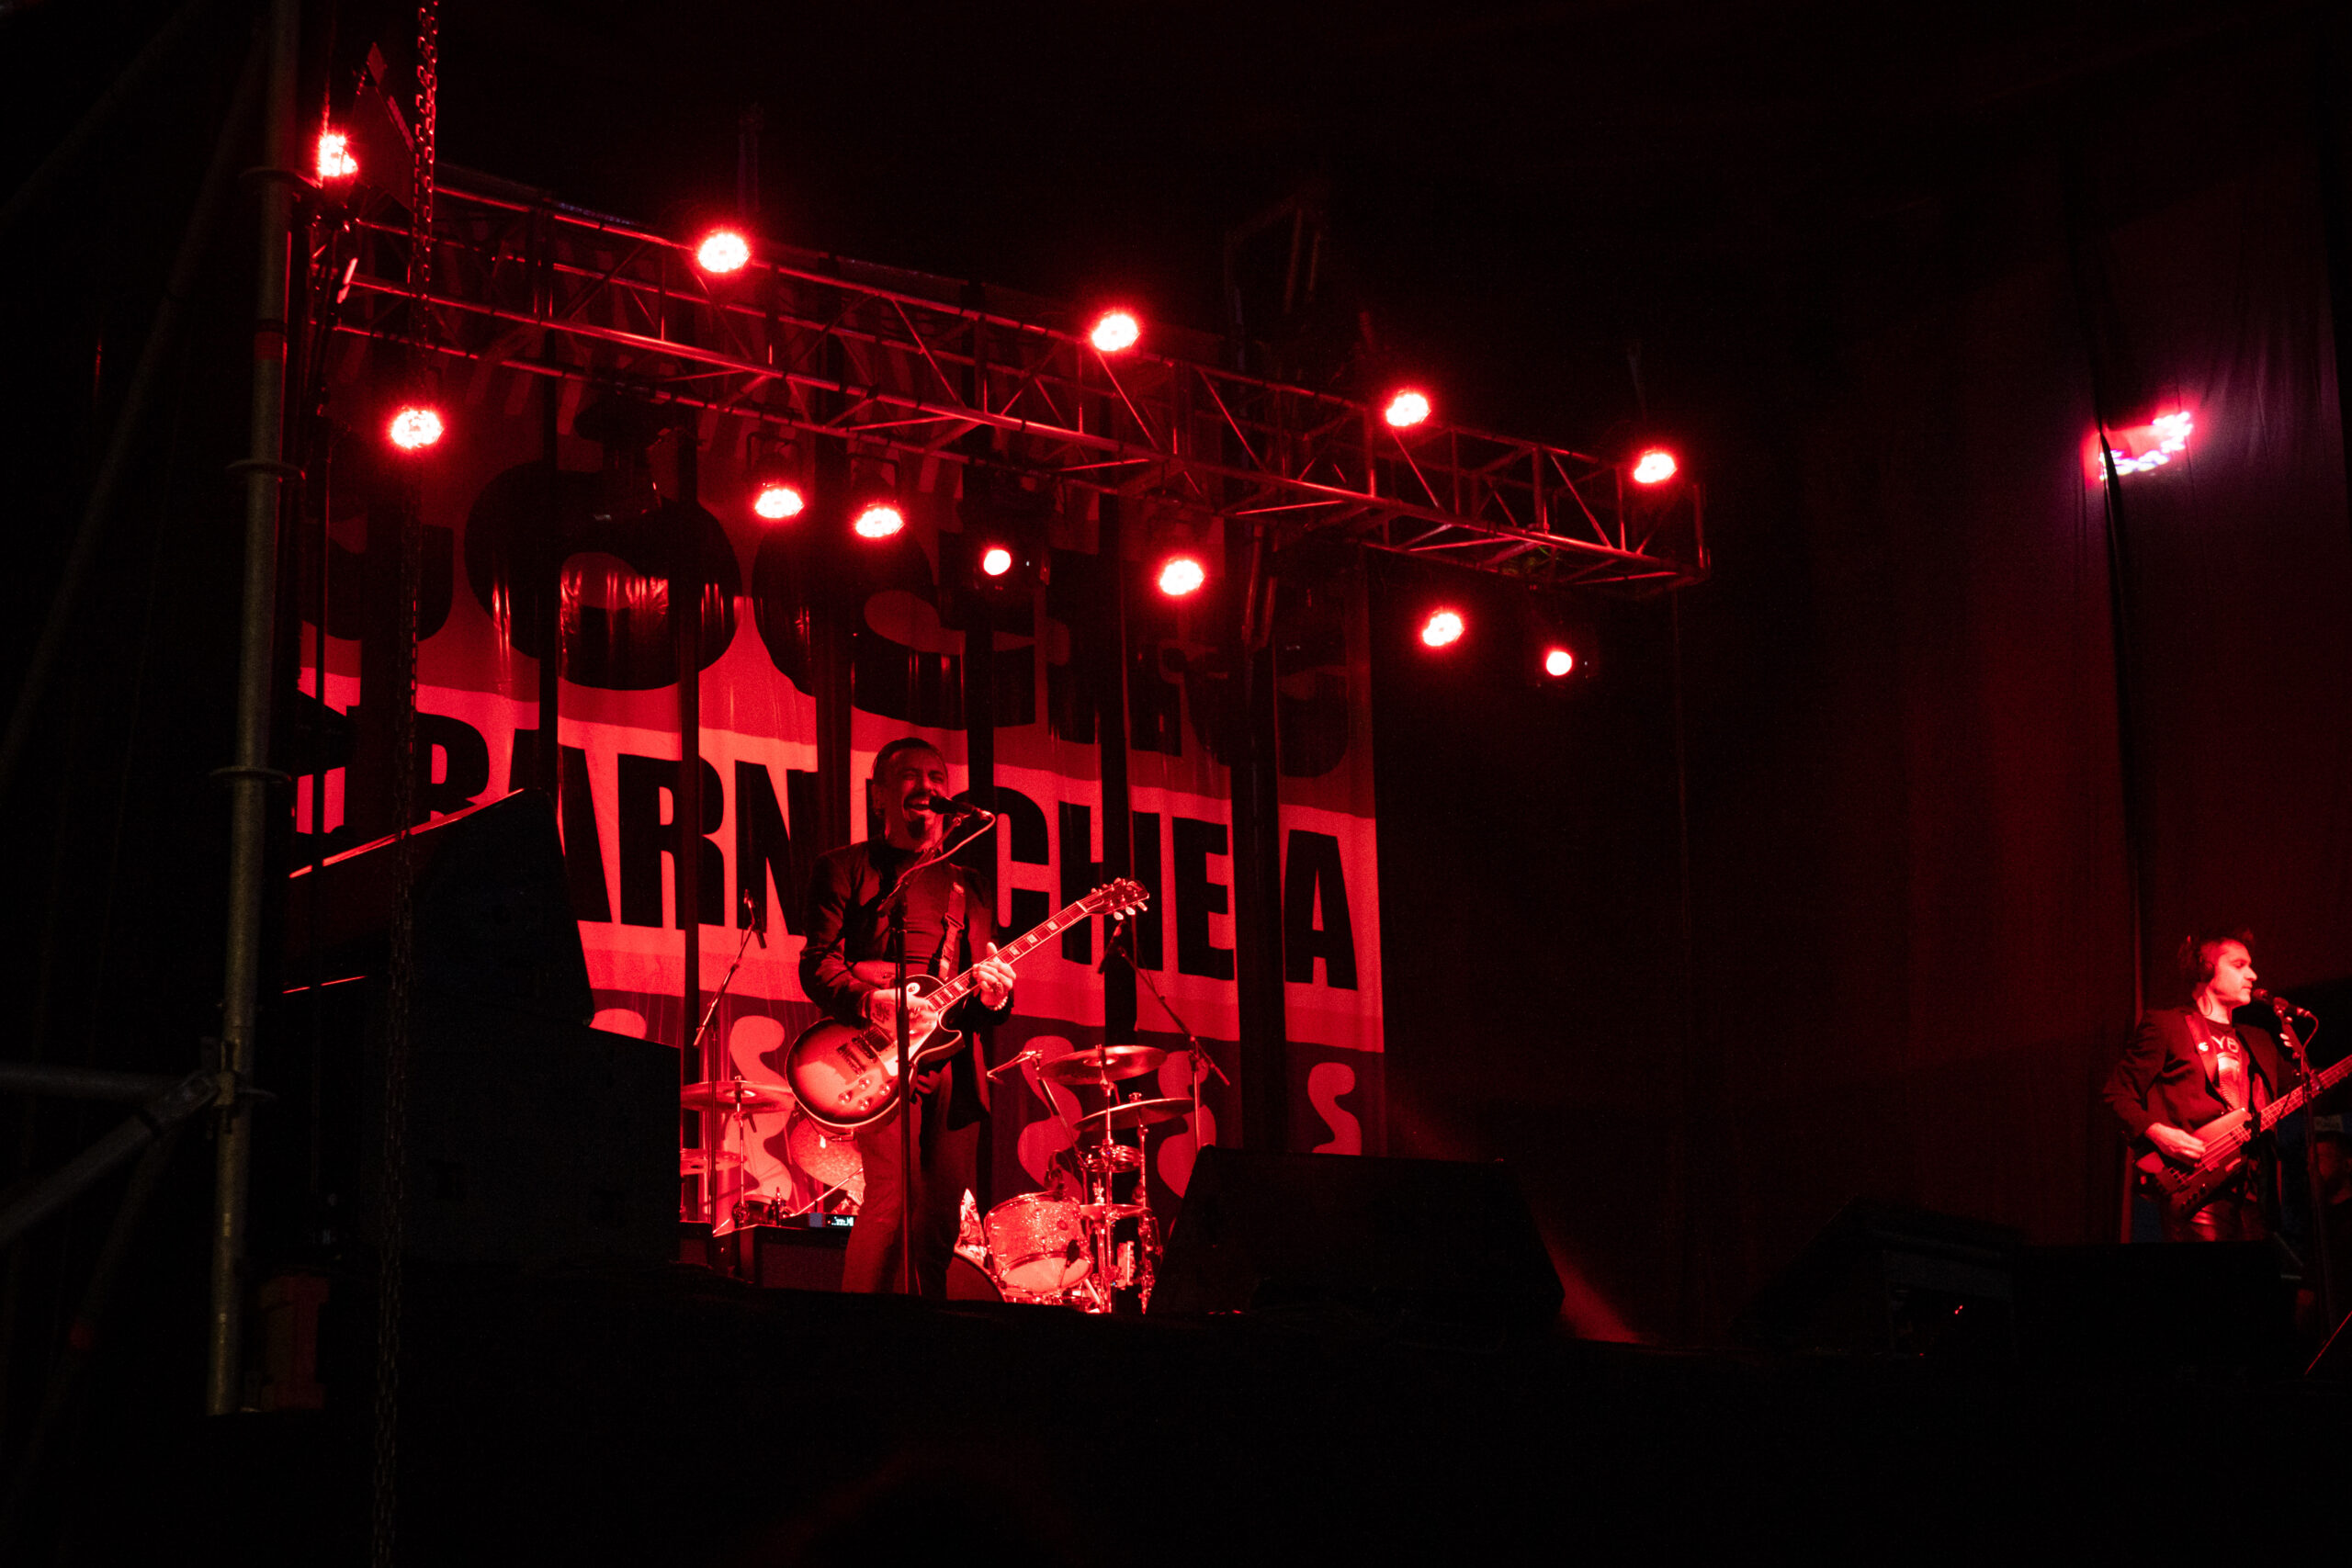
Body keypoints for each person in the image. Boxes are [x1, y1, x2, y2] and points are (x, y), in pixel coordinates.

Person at [799, 738, 1016, 1295]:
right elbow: (817, 965)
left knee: (939, 1222)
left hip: (953, 1066)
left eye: (937, 777)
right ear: (879, 796)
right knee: (893, 1200)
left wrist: (996, 997)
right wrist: (875, 1001)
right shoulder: (844, 868)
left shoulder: (970, 886)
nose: (927, 786)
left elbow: (983, 998)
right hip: (880, 1057)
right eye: (911, 776)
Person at [2104, 929, 2297, 1242]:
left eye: (2250, 966)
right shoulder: (2167, 1025)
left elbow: (2307, 1093)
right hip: (2197, 1189)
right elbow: (2117, 1094)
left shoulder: (2259, 1041)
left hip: (2255, 1194)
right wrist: (2160, 1134)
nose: (2252, 975)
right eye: (2239, 965)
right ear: (2205, 968)